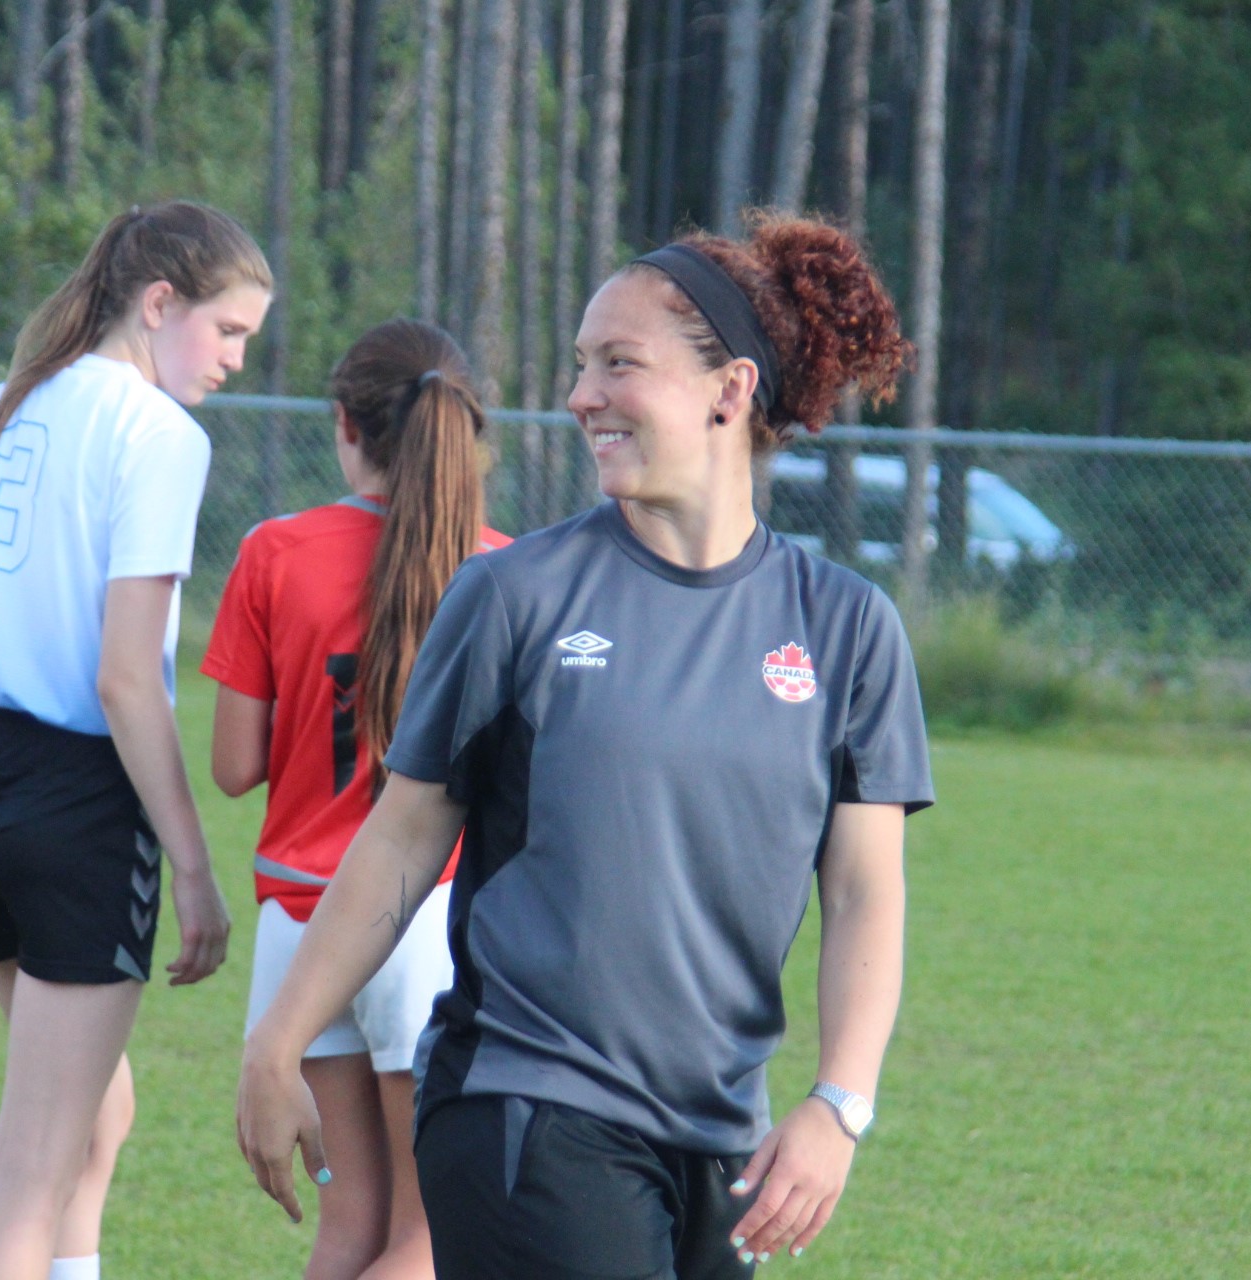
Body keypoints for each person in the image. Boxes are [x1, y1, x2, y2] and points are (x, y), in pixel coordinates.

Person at [237, 209, 933, 1278]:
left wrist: (841, 1100)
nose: (580, 396)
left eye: (618, 363)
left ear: (729, 390)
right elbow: (403, 836)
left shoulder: (844, 626)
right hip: (527, 1104)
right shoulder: (516, 593)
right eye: (577, 365)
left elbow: (864, 892)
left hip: (720, 1136)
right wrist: (280, 1035)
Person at [0, 201, 269, 1280]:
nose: (234, 360)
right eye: (228, 332)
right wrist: (192, 866)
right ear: (160, 301)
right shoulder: (161, 434)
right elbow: (128, 678)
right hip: (79, 803)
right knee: (28, 1175)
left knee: (100, 1112)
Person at [205, 319, 510, 1279]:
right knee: (427, 1240)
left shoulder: (274, 552)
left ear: (345, 425)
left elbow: (232, 764)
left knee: (351, 1230)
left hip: (302, 928)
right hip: (429, 922)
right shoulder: (507, 569)